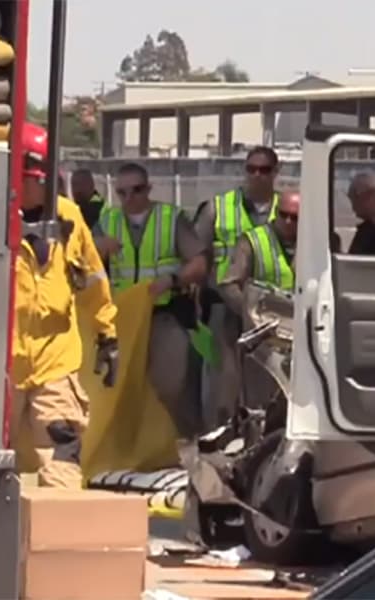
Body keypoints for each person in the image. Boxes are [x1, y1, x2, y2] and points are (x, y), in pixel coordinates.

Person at [12, 122, 119, 489]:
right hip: (1, 366)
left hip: (55, 360)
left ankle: (56, 538)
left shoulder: (69, 217)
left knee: (62, 453)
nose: (47, 185)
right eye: (38, 178)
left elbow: (93, 280)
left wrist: (108, 336)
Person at [92, 162, 209, 448]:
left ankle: (189, 446)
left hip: (165, 314)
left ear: (149, 189)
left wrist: (173, 279)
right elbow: (81, 262)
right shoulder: (108, 221)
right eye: (122, 192)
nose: (130, 197)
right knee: (121, 388)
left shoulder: (170, 218)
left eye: (137, 190)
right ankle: (126, 451)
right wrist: (98, 248)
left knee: (171, 385)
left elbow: (200, 262)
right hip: (123, 317)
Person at [194, 146, 283, 429]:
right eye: (251, 169)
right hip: (223, 306)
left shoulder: (289, 210)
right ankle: (218, 432)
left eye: (264, 170)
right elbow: (197, 253)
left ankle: (264, 432)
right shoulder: (218, 208)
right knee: (223, 376)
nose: (257, 175)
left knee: (269, 376)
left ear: (275, 173)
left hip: (271, 311)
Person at [218, 191, 300, 315]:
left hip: (303, 325)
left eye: (294, 218)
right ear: (276, 212)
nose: (288, 222)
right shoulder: (253, 241)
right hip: (265, 324)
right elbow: (229, 286)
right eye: (283, 215)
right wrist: (250, 314)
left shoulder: (315, 244)